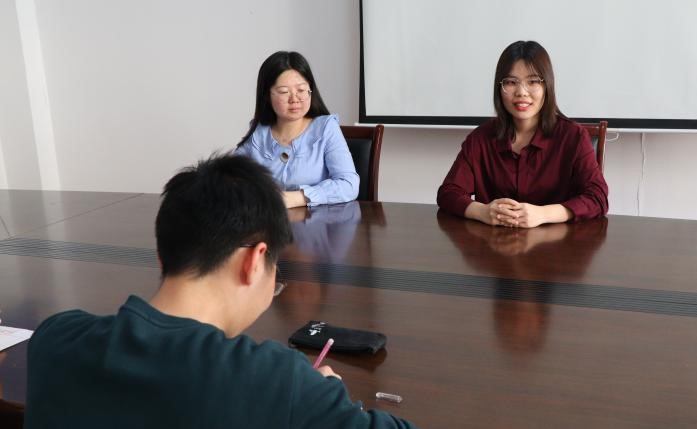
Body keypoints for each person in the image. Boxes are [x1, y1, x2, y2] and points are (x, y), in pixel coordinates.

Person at [24, 154, 417, 429]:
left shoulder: (55, 340)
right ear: (254, 261)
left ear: (163, 256)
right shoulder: (278, 382)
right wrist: (324, 400)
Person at [437, 40, 608, 228]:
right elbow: (449, 193)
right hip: (494, 243)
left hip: (557, 244)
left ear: (547, 86)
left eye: (533, 81)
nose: (521, 92)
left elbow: (597, 197)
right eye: (511, 82)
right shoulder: (480, 139)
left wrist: (543, 214)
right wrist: (483, 211)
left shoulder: (573, 137)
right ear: (499, 87)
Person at [236, 51, 359, 208]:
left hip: (316, 221)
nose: (294, 99)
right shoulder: (259, 132)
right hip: (269, 220)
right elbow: (230, 178)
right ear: (267, 95)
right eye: (284, 92)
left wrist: (296, 198)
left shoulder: (326, 128)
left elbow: (349, 184)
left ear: (310, 91)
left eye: (301, 90)